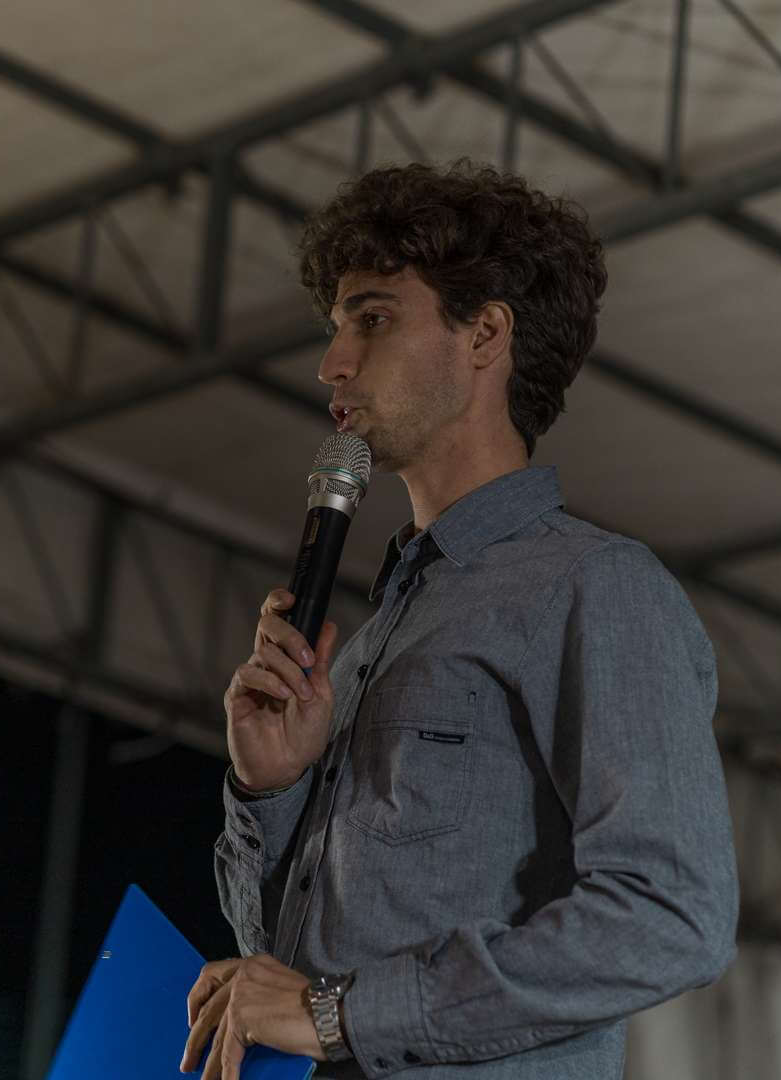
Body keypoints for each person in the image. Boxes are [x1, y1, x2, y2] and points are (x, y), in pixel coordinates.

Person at [180, 161, 738, 1080]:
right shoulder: (368, 644)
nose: (332, 364)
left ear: (485, 335)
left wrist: (342, 1012)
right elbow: (293, 983)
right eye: (336, 328)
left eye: (372, 319)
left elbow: (673, 917)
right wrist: (270, 790)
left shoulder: (596, 588)